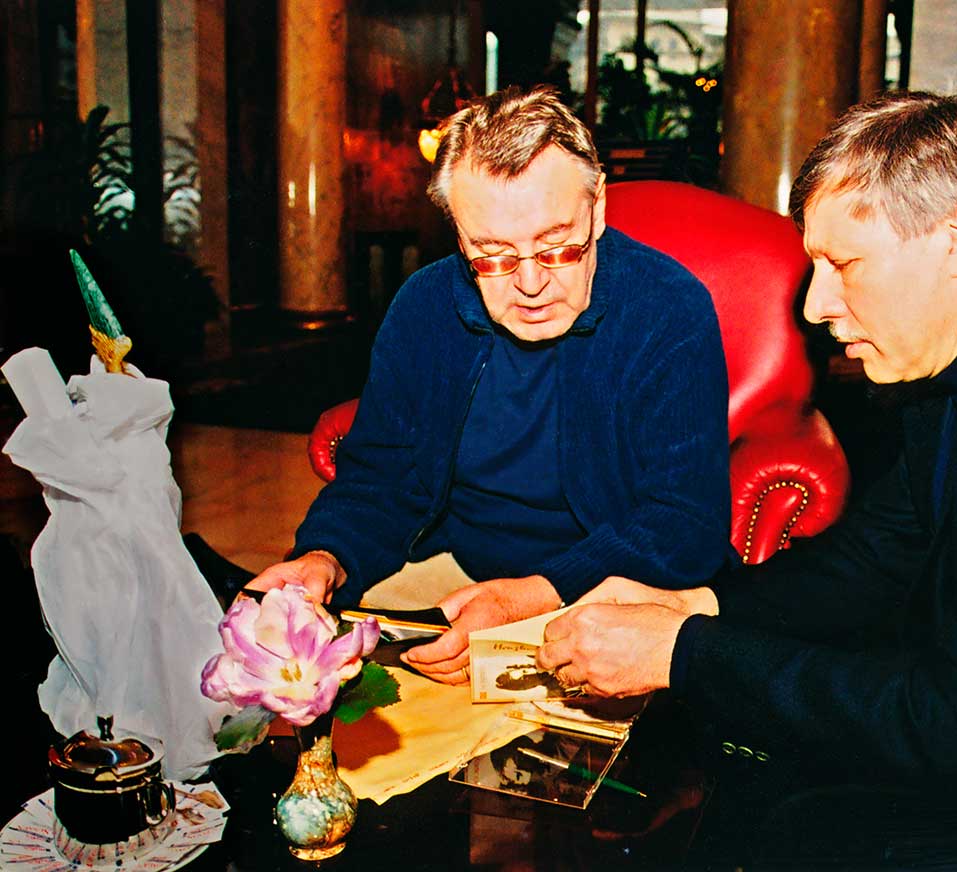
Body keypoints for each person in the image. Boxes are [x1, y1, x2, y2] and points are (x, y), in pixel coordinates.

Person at [536, 91, 957, 849]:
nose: (815, 304)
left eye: (843, 263)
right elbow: (874, 558)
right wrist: (694, 605)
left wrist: (679, 653)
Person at [247, 86, 732, 685]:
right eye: (494, 254)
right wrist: (325, 557)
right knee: (317, 682)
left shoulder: (668, 309)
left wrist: (529, 597)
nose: (530, 283)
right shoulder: (424, 306)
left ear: (598, 208)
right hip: (458, 571)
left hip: (616, 583)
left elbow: (685, 523)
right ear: (458, 235)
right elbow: (379, 481)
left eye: (557, 246)